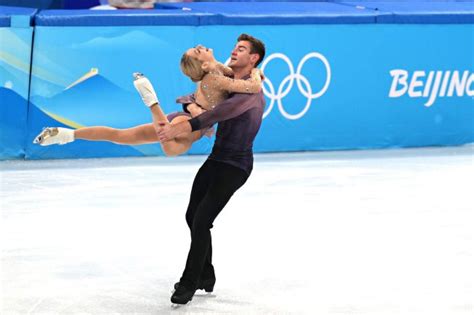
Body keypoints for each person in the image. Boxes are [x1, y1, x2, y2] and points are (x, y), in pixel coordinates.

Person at [159, 33, 266, 305]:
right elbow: (196, 95)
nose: (234, 51)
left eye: (241, 49)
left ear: (253, 58)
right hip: (217, 158)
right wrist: (191, 104)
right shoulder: (232, 81)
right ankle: (206, 274)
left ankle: (188, 282)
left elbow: (214, 115)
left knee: (201, 220)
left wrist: (177, 127)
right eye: (235, 47)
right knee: (192, 215)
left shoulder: (249, 94)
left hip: (236, 165)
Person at [33, 45, 263, 157]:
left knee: (120, 136)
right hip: (189, 123)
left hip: (180, 118)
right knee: (172, 149)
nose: (202, 47)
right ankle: (154, 104)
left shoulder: (213, 72)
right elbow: (250, 86)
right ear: (203, 64)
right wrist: (256, 73)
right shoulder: (214, 77)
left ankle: (66, 135)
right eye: (198, 50)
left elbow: (226, 73)